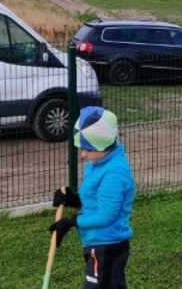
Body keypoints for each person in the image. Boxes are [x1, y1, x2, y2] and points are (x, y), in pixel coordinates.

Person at [49, 106, 136, 289]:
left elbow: (106, 215)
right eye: (82, 148)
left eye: (88, 149)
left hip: (108, 244)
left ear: (103, 145)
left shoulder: (115, 173)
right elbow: (94, 199)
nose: (83, 154)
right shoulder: (96, 162)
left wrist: (71, 221)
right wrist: (72, 199)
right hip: (98, 242)